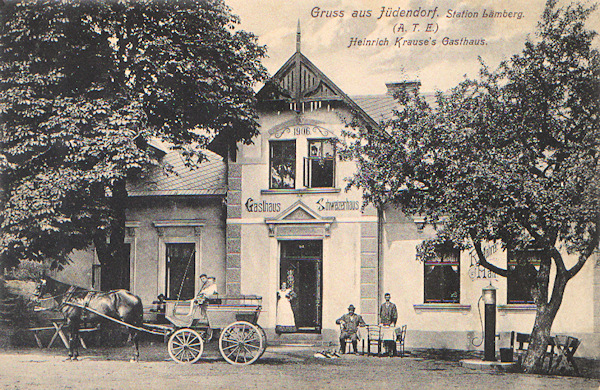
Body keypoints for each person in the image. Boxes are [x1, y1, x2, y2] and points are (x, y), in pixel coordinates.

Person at [379, 293, 398, 357]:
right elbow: (381, 314)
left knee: (390, 336)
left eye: (388, 297)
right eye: (386, 297)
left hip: (390, 324)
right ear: (385, 298)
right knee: (384, 337)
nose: (387, 298)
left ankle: (391, 351)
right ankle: (386, 351)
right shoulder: (382, 305)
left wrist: (393, 323)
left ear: (390, 298)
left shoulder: (393, 305)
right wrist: (382, 322)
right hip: (384, 324)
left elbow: (395, 315)